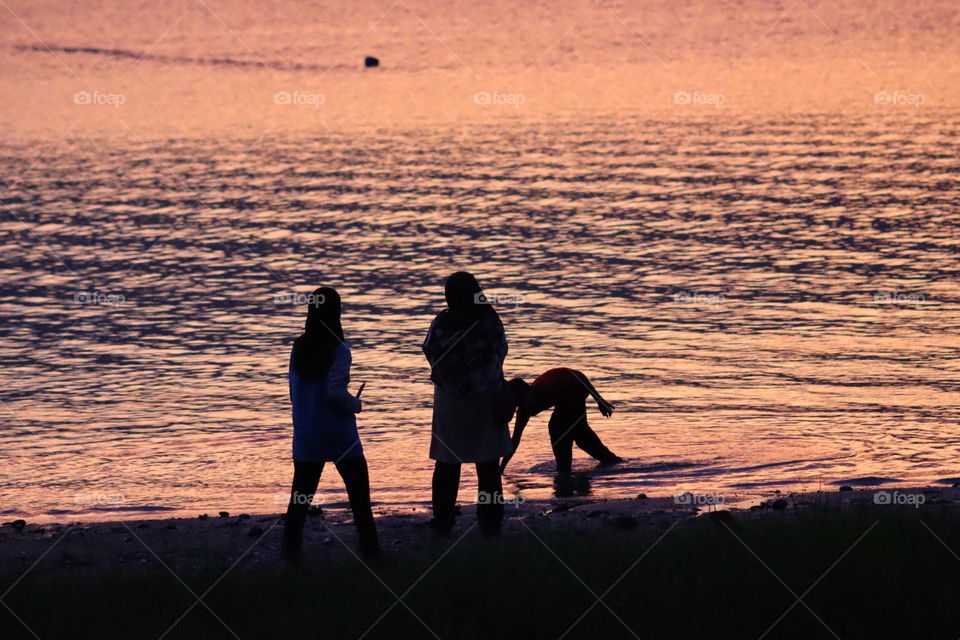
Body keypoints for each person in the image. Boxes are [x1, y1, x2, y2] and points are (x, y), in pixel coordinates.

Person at [282, 287, 379, 560]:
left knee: (300, 498)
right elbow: (335, 392)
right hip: (339, 434)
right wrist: (356, 405)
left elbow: (293, 390)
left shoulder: (298, 347)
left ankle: (290, 553)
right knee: (359, 497)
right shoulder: (339, 349)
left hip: (306, 434)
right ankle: (371, 552)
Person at [423, 272, 513, 536]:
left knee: (447, 463)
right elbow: (497, 358)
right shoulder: (489, 323)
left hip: (450, 402)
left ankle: (443, 521)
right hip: (484, 399)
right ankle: (490, 522)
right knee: (487, 467)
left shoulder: (442, 323)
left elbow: (430, 352)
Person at [501, 368, 622, 475]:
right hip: (565, 399)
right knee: (580, 435)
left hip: (576, 387)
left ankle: (565, 473)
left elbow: (577, 375)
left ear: (528, 390)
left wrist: (599, 399)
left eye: (522, 400)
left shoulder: (548, 386)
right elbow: (515, 440)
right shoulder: (524, 409)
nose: (522, 405)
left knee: (558, 428)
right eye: (517, 403)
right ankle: (610, 462)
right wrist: (501, 469)